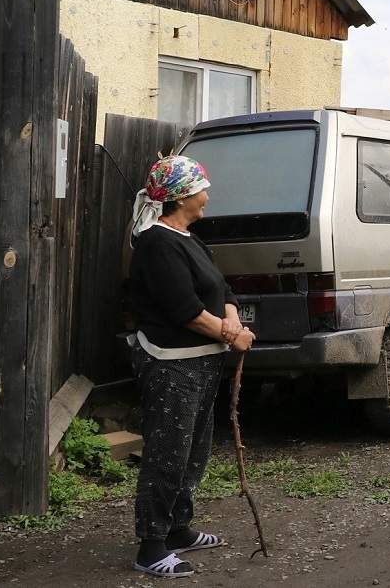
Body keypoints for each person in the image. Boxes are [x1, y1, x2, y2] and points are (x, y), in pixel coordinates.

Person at [128, 155, 255, 578]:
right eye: (203, 187)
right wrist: (229, 333)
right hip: (172, 366)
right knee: (167, 454)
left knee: (193, 451)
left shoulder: (189, 238)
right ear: (183, 195)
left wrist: (233, 319)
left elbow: (223, 289)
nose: (208, 196)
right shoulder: (157, 243)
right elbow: (185, 310)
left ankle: (178, 529)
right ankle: (150, 547)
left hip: (203, 364)